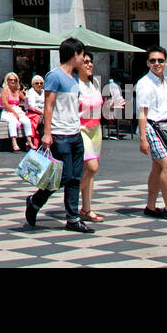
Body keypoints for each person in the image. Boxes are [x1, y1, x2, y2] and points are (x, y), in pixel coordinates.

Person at [25, 38, 91, 233]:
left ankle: (73, 218)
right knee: (63, 177)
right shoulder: (54, 76)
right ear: (74, 55)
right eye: (82, 55)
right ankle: (35, 201)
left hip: (75, 133)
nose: (85, 60)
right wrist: (47, 133)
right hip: (59, 134)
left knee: (75, 177)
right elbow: (49, 105)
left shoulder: (75, 77)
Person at [136, 45, 167, 221]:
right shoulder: (145, 84)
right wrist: (142, 138)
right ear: (148, 63)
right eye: (153, 60)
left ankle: (150, 206)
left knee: (158, 167)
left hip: (166, 128)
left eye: (160, 60)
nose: (157, 63)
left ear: (166, 62)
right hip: (151, 127)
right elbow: (142, 112)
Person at [77, 50, 105, 222]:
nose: (88, 64)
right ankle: (71, 199)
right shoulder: (73, 84)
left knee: (90, 171)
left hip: (96, 129)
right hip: (81, 129)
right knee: (92, 167)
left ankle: (86, 209)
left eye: (90, 61)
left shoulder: (93, 83)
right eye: (85, 61)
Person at [0, 72, 34, 152]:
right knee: (13, 121)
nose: (13, 81)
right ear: (7, 80)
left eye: (15, 80)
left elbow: (25, 98)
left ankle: (29, 140)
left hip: (16, 110)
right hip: (5, 111)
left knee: (26, 120)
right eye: (10, 80)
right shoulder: (5, 90)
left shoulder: (17, 90)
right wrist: (14, 113)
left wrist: (27, 93)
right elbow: (5, 104)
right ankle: (14, 142)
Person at [24, 75, 46, 147]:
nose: (39, 85)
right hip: (32, 113)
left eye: (41, 83)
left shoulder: (44, 92)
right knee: (43, 120)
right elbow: (32, 106)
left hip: (43, 112)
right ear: (33, 84)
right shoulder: (31, 92)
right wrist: (43, 113)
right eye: (37, 83)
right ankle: (42, 144)